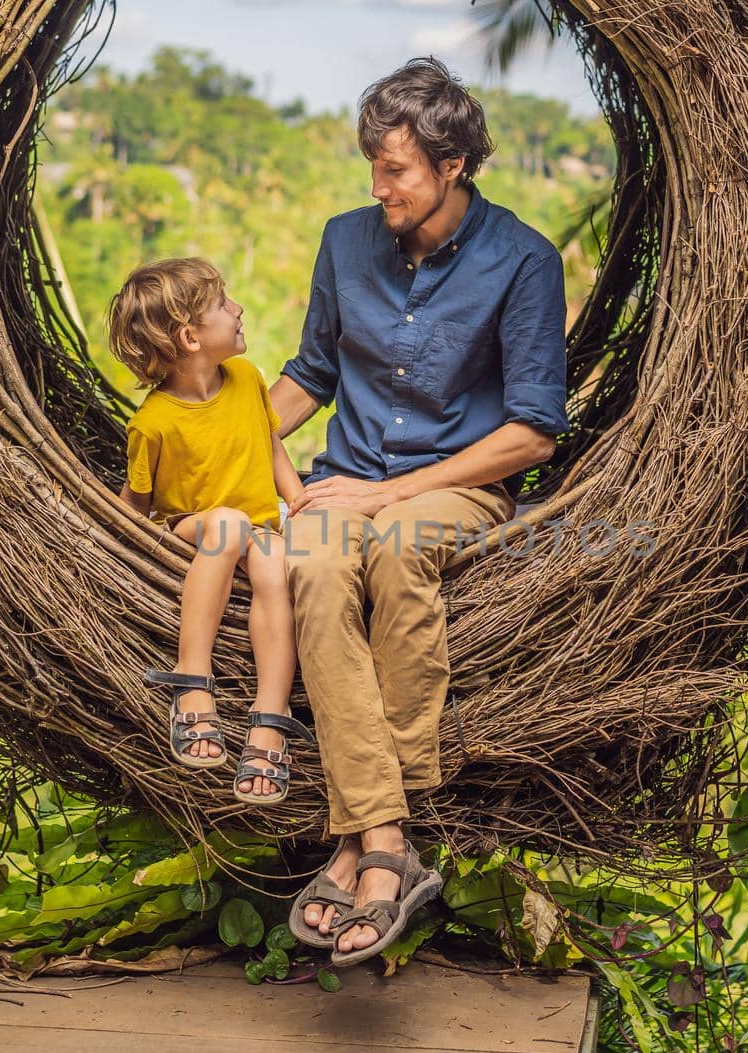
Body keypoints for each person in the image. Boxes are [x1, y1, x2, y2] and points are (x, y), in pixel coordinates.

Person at [273, 58, 570, 966]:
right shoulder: (344, 240)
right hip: (344, 479)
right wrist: (223, 420)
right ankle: (387, 844)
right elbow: (312, 375)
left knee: (398, 546)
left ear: (452, 165)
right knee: (315, 565)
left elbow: (533, 433)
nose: (379, 187)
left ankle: (353, 844)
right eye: (373, 166)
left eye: (395, 169)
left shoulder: (524, 260)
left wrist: (384, 491)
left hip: (458, 489)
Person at [110, 258, 313, 807]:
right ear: (190, 336)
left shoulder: (247, 379)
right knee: (226, 523)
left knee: (275, 566)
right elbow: (137, 504)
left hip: (259, 526)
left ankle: (270, 718)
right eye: (224, 304)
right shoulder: (151, 423)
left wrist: (298, 501)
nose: (238, 308)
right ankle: (191, 682)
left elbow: (271, 447)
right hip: (192, 528)